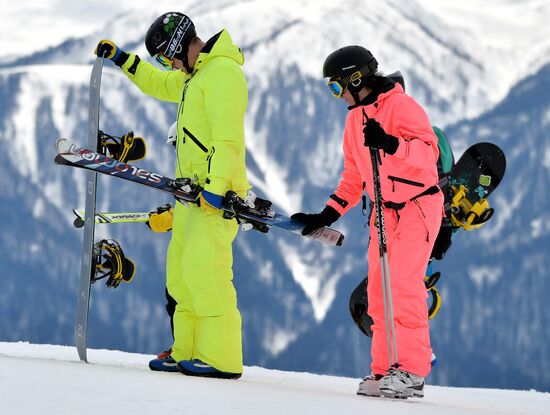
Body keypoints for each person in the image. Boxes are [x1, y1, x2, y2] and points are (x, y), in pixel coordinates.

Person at [95, 11, 250, 379]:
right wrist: (123, 60)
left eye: (167, 57)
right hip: (189, 194)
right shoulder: (195, 77)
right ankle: (187, 351)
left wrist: (214, 188)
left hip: (215, 196)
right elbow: (158, 84)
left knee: (207, 276)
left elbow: (227, 140)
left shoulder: (222, 74)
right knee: (181, 277)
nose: (169, 66)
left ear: (179, 46)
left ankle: (221, 358)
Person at [292, 46, 443, 398]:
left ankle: (411, 372)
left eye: (336, 87)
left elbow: (427, 155)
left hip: (417, 207)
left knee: (404, 288)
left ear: (355, 79)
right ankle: (385, 369)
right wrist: (325, 215)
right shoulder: (354, 118)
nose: (336, 95)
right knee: (378, 293)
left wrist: (391, 143)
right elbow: (353, 177)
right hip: (382, 213)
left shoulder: (402, 107)